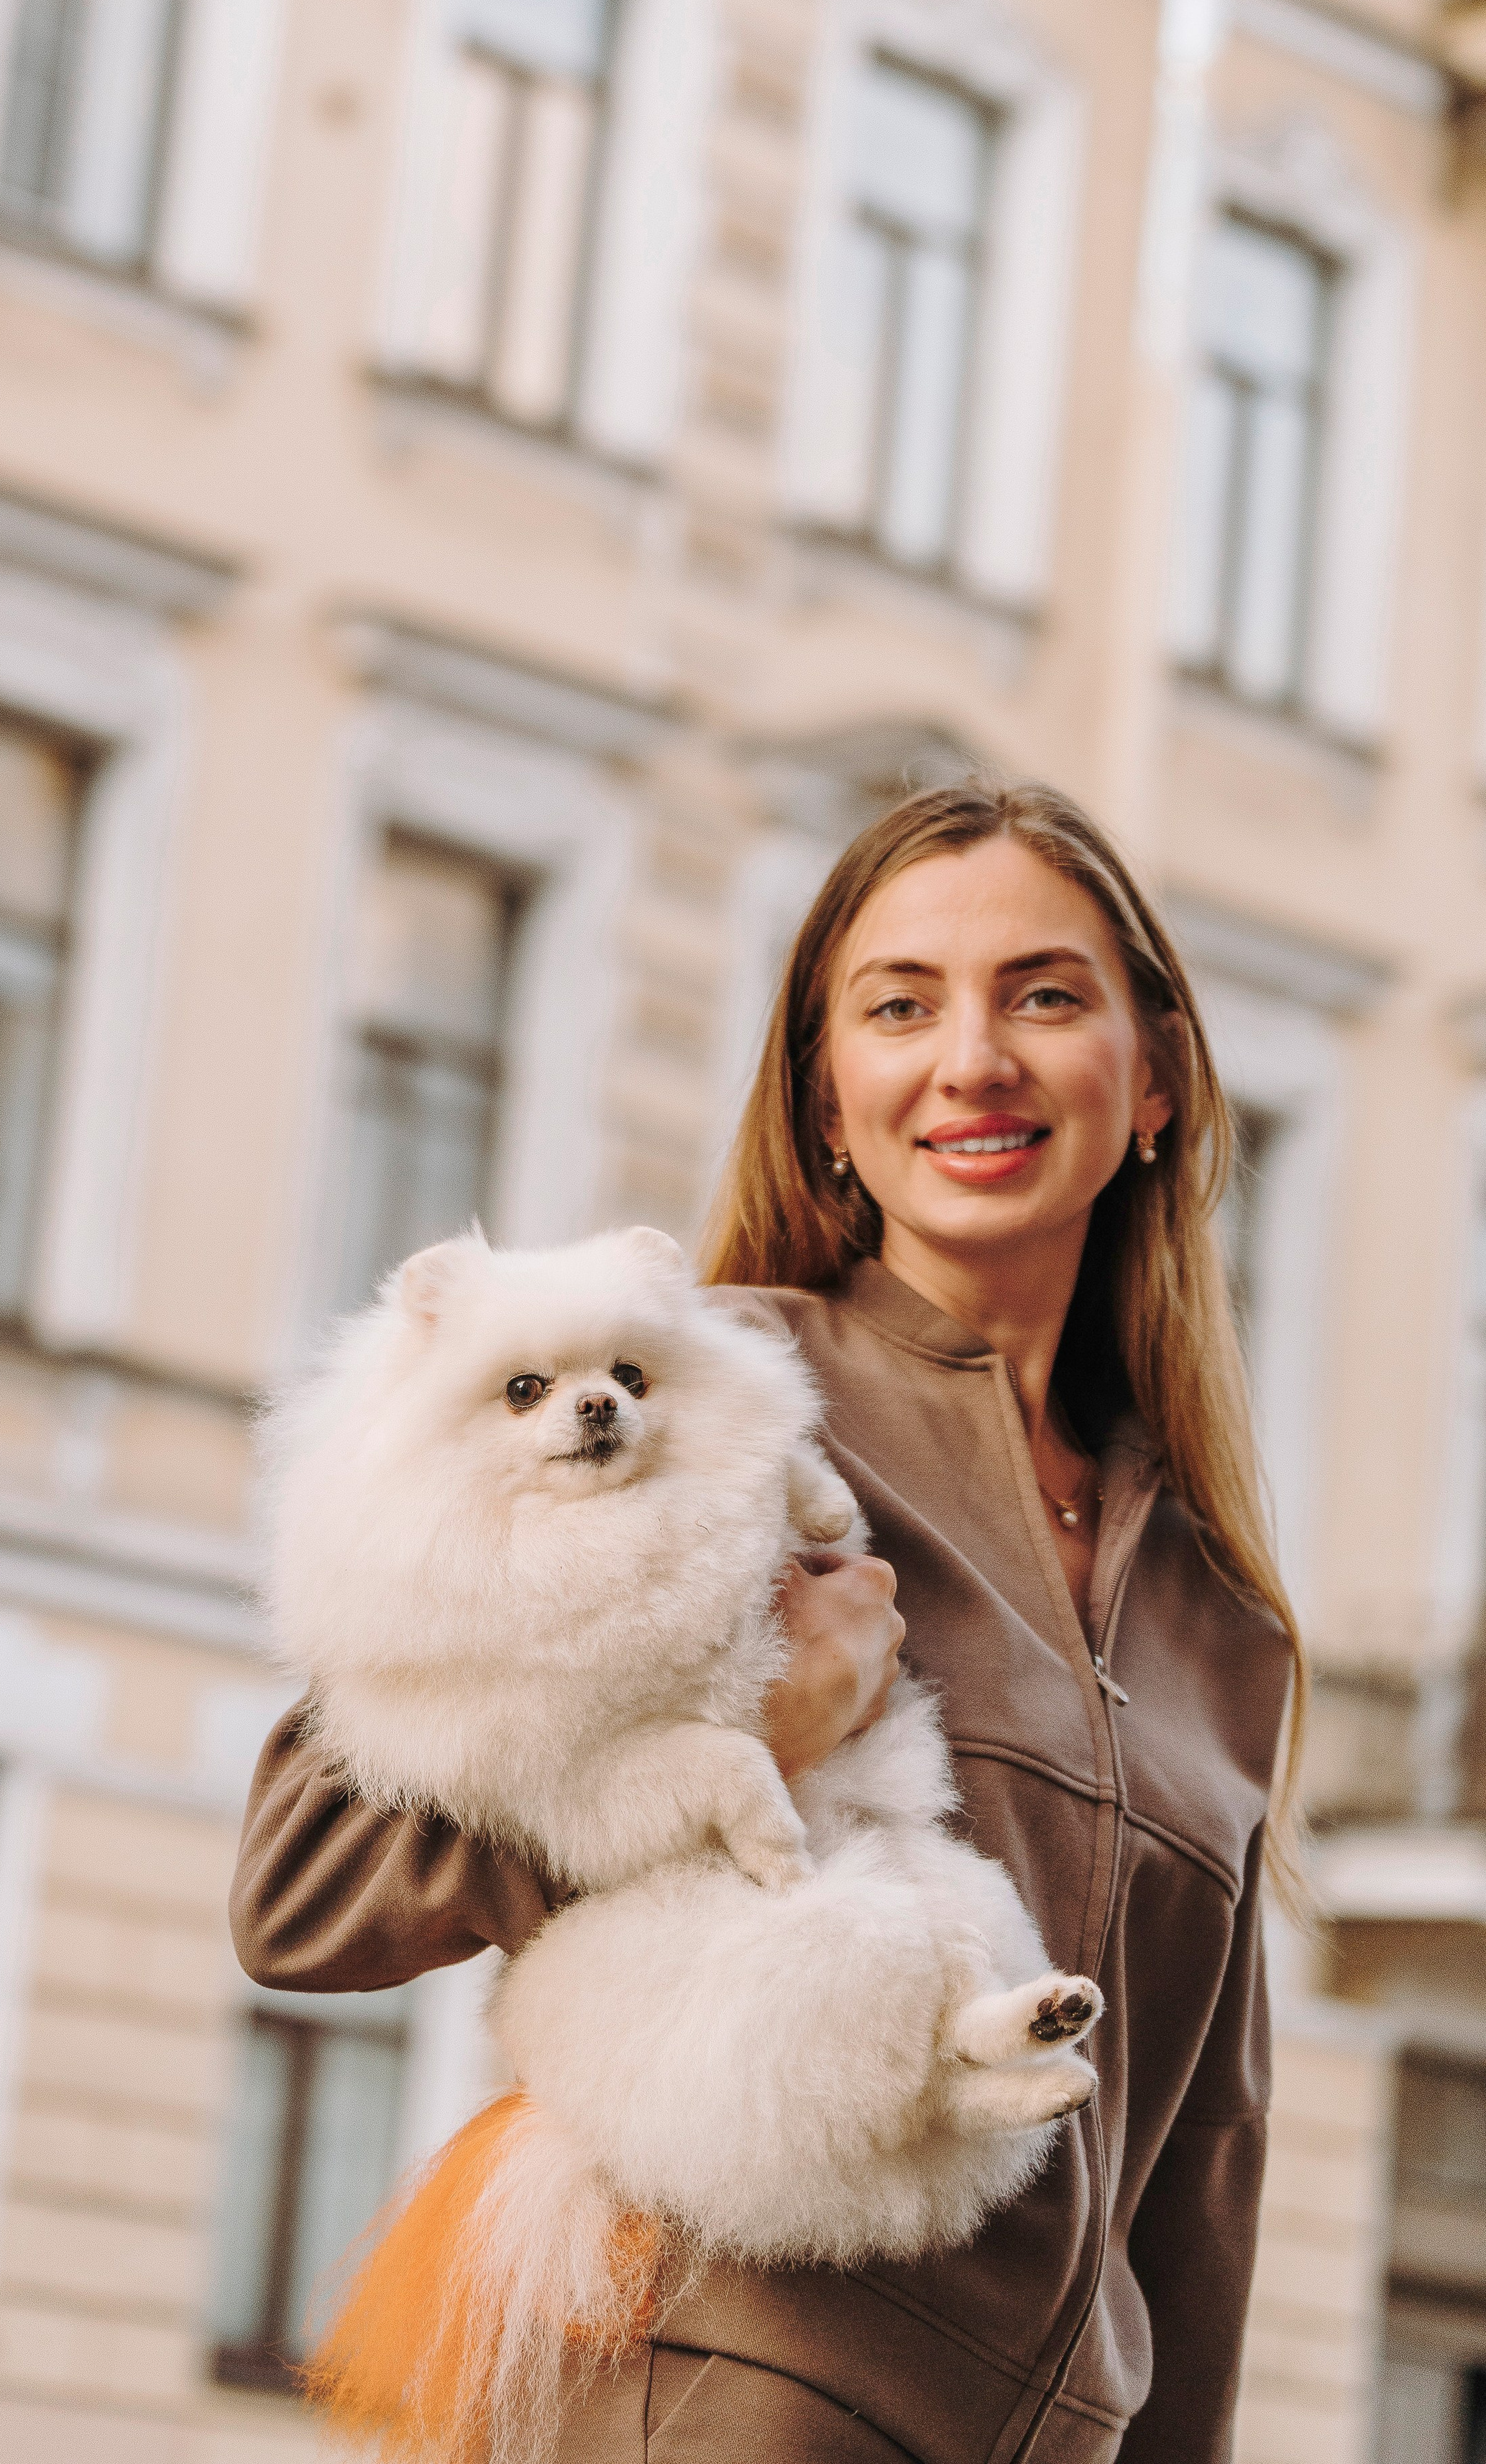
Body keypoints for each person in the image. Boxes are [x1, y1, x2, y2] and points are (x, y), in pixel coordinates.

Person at [231, 780, 1302, 2463]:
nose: (971, 1058)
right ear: (826, 1093)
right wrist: (747, 1733)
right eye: (896, 1005)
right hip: (707, 2403)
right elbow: (304, 1887)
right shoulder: (681, 1396)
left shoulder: (1224, 1617)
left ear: (1153, 1077)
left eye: (1040, 991)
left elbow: (1199, 2173)